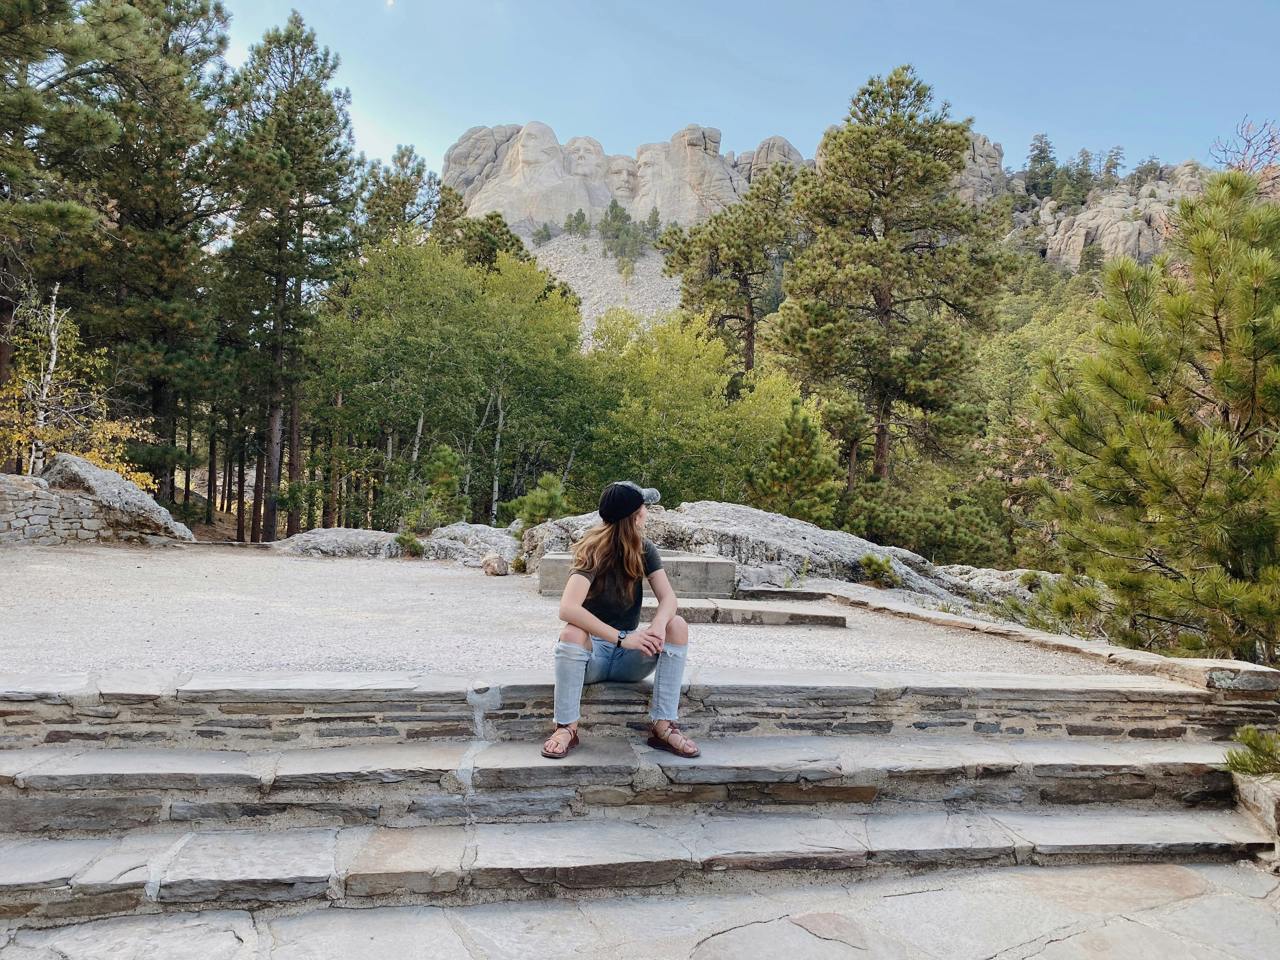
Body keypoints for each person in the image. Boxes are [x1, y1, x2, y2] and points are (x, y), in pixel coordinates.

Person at [541, 480, 699, 759]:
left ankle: (664, 726)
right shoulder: (592, 550)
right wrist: (622, 638)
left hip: (629, 659)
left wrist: (658, 626)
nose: (647, 513)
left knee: (676, 625)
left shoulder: (644, 549)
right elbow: (567, 608)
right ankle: (566, 728)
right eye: (643, 508)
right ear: (635, 517)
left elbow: (669, 599)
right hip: (593, 658)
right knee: (572, 633)